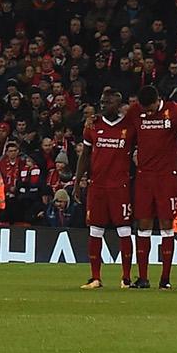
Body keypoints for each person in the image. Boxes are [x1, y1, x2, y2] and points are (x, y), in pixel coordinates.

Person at [129, 87, 177, 288]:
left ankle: (165, 279)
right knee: (143, 225)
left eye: (151, 107)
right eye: (144, 109)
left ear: (158, 100)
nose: (147, 112)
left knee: (166, 225)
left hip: (167, 178)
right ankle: (143, 277)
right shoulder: (135, 111)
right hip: (144, 177)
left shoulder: (175, 111)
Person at [74, 88, 134, 289]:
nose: (103, 105)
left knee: (124, 231)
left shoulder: (130, 126)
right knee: (95, 231)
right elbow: (85, 155)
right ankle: (95, 277)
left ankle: (126, 278)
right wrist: (77, 181)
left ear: (118, 104)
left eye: (107, 102)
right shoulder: (93, 126)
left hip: (120, 187)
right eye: (101, 102)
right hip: (97, 186)